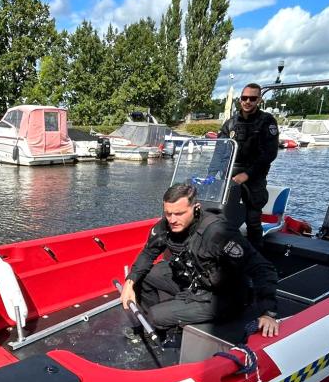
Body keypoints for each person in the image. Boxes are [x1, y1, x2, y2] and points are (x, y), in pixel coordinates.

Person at [119, 184, 280, 343]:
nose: (173, 220)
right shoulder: (166, 226)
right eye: (168, 214)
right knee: (145, 277)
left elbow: (262, 268)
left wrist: (268, 312)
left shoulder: (218, 233)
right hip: (194, 278)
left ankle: (161, 321)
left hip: (223, 296)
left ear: (196, 208)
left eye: (179, 213)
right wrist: (130, 280)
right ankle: (159, 325)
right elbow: (148, 253)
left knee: (156, 315)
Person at [218, 83, 279, 248]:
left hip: (254, 177)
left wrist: (248, 174)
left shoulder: (267, 122)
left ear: (259, 99)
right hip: (230, 176)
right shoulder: (230, 124)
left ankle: (256, 259)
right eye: (244, 98)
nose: (248, 102)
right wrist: (215, 175)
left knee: (252, 220)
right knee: (222, 217)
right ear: (240, 99)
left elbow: (270, 153)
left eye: (252, 98)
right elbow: (220, 152)